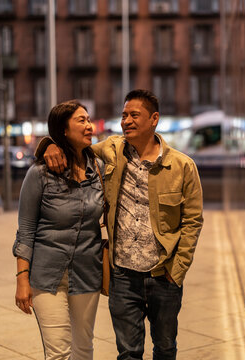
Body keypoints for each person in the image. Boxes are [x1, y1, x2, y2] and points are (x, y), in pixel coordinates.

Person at [39, 89, 204, 360]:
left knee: (165, 349)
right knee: (128, 353)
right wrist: (49, 144)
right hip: (123, 277)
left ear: (154, 119)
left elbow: (193, 221)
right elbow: (76, 144)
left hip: (163, 275)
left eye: (134, 115)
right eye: (124, 115)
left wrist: (178, 269)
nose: (126, 120)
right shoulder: (113, 150)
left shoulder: (182, 166)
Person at [13, 100, 105, 360]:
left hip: (88, 273)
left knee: (84, 349)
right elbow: (26, 230)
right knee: (58, 353)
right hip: (47, 275)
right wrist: (22, 279)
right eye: (81, 120)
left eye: (89, 119)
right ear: (63, 130)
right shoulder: (40, 174)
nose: (89, 125)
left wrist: (47, 143)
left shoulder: (100, 169)